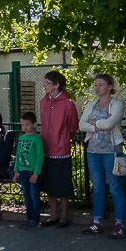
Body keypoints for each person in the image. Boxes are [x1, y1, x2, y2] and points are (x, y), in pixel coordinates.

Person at [79, 74, 126, 238]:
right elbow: (81, 124)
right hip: (93, 151)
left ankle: (119, 224)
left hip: (111, 152)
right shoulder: (91, 104)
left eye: (101, 85)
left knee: (115, 188)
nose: (97, 88)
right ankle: (97, 222)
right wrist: (98, 126)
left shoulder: (117, 104)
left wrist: (92, 123)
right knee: (98, 188)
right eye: (96, 85)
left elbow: (110, 124)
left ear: (110, 87)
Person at [38, 71, 79, 227]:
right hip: (46, 148)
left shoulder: (68, 103)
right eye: (45, 82)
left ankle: (64, 216)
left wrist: (62, 138)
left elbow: (73, 126)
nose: (45, 85)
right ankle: (53, 215)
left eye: (48, 83)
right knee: (49, 184)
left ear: (57, 85)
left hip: (61, 150)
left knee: (62, 183)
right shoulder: (43, 102)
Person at [14, 112, 46, 229]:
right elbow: (18, 155)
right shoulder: (22, 138)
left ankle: (35, 219)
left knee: (34, 195)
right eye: (23, 124)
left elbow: (40, 157)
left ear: (34, 124)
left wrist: (36, 173)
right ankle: (29, 218)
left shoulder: (37, 139)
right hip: (23, 171)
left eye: (27, 124)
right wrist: (16, 171)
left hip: (32, 172)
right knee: (27, 196)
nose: (24, 127)